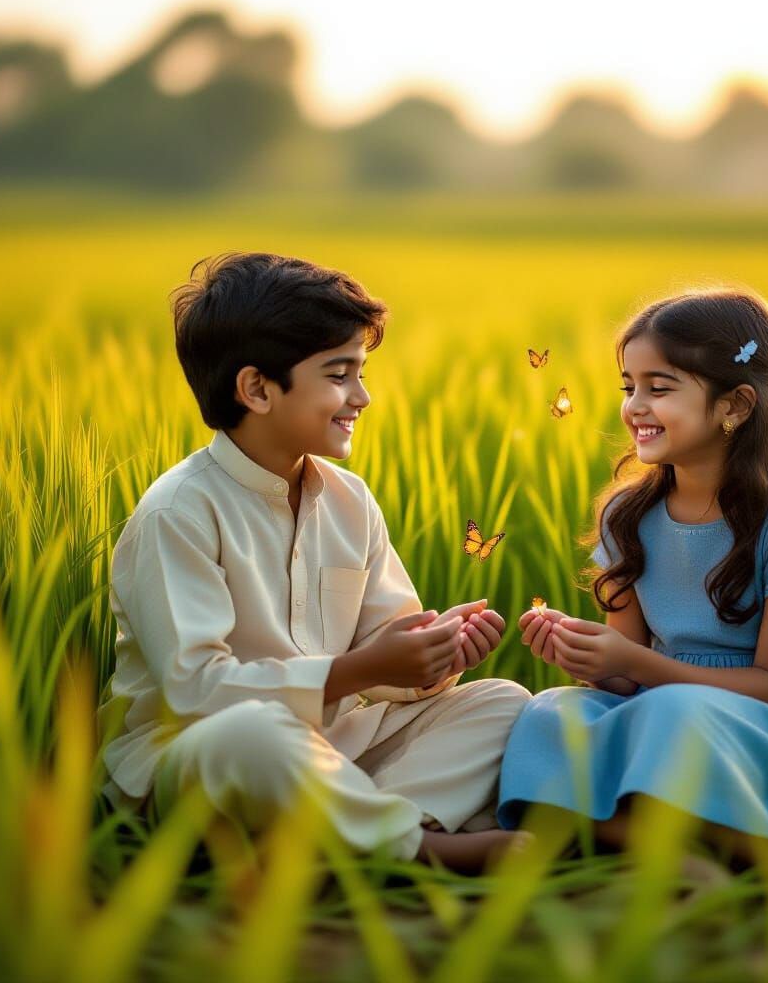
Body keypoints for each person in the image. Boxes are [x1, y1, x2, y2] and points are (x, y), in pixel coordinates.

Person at [98, 251, 531, 873]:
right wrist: (361, 668)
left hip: (329, 750)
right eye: (338, 374)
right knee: (250, 737)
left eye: (361, 372)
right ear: (256, 389)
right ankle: (417, 846)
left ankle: (344, 840)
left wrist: (434, 656)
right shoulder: (179, 511)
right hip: (205, 759)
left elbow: (382, 656)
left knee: (501, 701)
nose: (363, 395)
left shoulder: (349, 499)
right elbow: (194, 692)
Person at [497, 287, 768, 879]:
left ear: (735, 406)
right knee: (549, 714)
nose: (635, 405)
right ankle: (674, 847)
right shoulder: (628, 515)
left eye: (658, 389)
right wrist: (586, 655)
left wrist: (637, 667)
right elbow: (624, 671)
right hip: (668, 706)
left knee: (676, 714)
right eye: (628, 387)